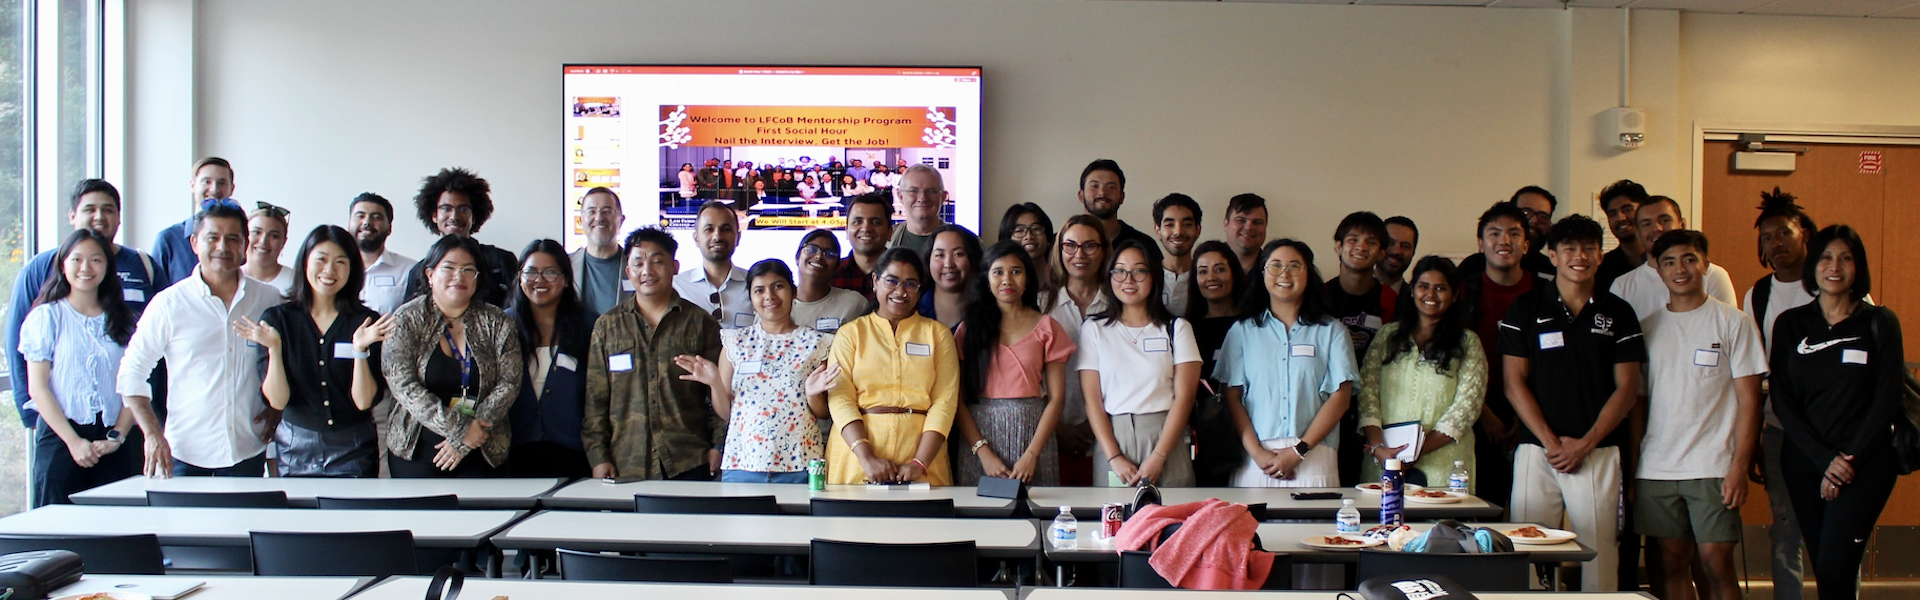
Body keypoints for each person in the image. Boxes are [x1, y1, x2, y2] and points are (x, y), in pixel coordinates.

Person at [1500, 215, 1645, 592]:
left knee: (1599, 553)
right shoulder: (1526, 307)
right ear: (1552, 255)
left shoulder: (1619, 312)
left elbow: (1627, 389)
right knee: (1525, 549)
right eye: (1569, 248)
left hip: (1596, 450)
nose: (1579, 256)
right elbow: (1513, 383)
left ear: (1600, 255)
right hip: (1537, 450)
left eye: (1588, 248)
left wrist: (1586, 443)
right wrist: (1551, 442)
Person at [1769, 225, 1902, 600]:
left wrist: (1846, 461)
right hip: (1805, 462)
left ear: (1858, 267)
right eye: (1826, 257)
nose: (1835, 266)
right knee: (1825, 570)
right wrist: (1825, 460)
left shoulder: (1879, 322)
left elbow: (1886, 399)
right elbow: (1782, 400)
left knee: (1835, 566)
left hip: (1865, 463)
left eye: (1846, 258)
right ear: (1813, 265)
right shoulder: (1791, 324)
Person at [1633, 230, 1766, 600]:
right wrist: (1633, 467)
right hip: (1657, 467)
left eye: (1690, 259)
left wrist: (1738, 467)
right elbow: (1637, 405)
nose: (1681, 269)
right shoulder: (1647, 328)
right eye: (1670, 262)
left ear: (1706, 264)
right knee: (1670, 561)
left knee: (1716, 561)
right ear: (1658, 270)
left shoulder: (1733, 322)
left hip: (1713, 465)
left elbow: (1750, 401)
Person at [118, 202, 284, 477]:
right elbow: (131, 373)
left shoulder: (269, 299)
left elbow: (287, 364)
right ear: (195, 243)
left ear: (245, 245)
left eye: (233, 239)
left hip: (248, 451)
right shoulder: (169, 304)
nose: (223, 247)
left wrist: (276, 411)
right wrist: (152, 434)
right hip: (185, 455)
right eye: (213, 238)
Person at [234, 225, 391, 477]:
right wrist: (275, 348)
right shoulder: (279, 320)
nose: (329, 270)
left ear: (352, 269)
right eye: (321, 259)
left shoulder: (365, 322)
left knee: (354, 515)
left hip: (354, 444)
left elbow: (363, 402)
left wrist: (360, 350)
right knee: (299, 516)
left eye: (341, 262)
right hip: (296, 444)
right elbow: (278, 401)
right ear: (305, 262)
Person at [7, 180, 163, 431]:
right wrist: (31, 412)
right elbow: (18, 343)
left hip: (130, 417)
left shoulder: (143, 265)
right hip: (59, 422)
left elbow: (160, 340)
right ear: (72, 216)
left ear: (119, 218)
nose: (99, 217)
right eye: (89, 209)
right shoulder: (40, 268)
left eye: (108, 209)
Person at [674, 260, 839, 483]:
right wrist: (714, 383)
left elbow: (823, 413)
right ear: (751, 299)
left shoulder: (817, 343)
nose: (769, 296)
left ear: (793, 292)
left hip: (799, 464)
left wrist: (812, 394)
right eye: (759, 290)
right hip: (742, 463)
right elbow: (727, 414)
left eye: (778, 286)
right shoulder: (736, 342)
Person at [585, 228, 724, 482]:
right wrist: (598, 456)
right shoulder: (608, 326)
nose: (647, 271)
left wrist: (718, 445)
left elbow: (719, 390)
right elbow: (595, 400)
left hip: (688, 458)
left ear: (674, 267)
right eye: (638, 263)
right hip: (625, 462)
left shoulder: (700, 323)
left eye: (657, 261)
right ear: (628, 272)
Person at [1218, 239, 1358, 487]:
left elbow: (1341, 398)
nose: (1285, 273)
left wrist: (1299, 450)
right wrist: (1258, 453)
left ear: (1308, 275)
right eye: (1275, 266)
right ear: (1262, 273)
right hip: (1256, 459)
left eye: (1295, 266)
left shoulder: (1332, 331)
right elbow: (1232, 398)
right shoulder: (1241, 332)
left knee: (1315, 527)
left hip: (1315, 456)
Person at [383, 235, 522, 478]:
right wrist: (459, 429)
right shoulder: (407, 319)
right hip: (418, 447)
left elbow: (509, 382)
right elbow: (402, 384)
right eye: (449, 268)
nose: (459, 277)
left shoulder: (497, 321)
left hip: (481, 444)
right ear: (429, 275)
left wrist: (468, 437)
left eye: (468, 270)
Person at [20, 230, 139, 505]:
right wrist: (74, 442)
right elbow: (37, 388)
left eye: (96, 260)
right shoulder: (47, 317)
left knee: (115, 531)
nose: (86, 268)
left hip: (113, 440)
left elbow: (134, 382)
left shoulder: (125, 320)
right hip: (62, 438)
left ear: (108, 267)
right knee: (57, 529)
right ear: (63, 264)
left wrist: (117, 436)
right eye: (77, 259)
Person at [825, 247, 960, 485]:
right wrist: (866, 457)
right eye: (892, 281)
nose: (900, 291)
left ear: (919, 290)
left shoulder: (937, 335)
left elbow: (945, 401)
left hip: (923, 459)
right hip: (855, 458)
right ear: (875, 281)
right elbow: (840, 398)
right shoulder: (850, 334)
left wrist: (920, 462)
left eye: (910, 284)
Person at [1741, 188, 1817, 600]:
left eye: (1783, 233)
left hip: (1831, 430)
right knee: (1785, 529)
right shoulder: (1759, 294)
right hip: (1778, 427)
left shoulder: (1834, 283)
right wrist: (1750, 438)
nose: (1775, 244)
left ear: (1804, 233)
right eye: (1767, 238)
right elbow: (1754, 372)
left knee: (1834, 533)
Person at [951, 242, 1075, 485]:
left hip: (1033, 433)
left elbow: (1057, 398)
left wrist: (1032, 454)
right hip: (980, 435)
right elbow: (957, 400)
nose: (1007, 279)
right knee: (980, 515)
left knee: (1034, 510)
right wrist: (983, 452)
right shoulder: (969, 330)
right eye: (998, 272)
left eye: (1016, 271)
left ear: (1027, 279)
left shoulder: (1047, 327)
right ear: (987, 279)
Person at [1357, 256, 1486, 491]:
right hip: (1383, 460)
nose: (1431, 295)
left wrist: (1411, 454)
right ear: (1412, 290)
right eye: (1423, 286)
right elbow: (1367, 395)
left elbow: (1466, 408)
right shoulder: (1387, 336)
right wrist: (1379, 448)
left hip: (1445, 465)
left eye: (1441, 288)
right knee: (1382, 526)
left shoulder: (1468, 342)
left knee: (1440, 528)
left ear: (1455, 295)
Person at [1081, 239, 1199, 487]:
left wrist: (1159, 456)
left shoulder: (1176, 328)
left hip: (1167, 437)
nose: (1128, 279)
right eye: (1120, 271)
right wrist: (1114, 456)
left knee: (1172, 520)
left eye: (1139, 271)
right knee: (1116, 522)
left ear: (1154, 275)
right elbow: (1092, 399)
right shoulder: (1094, 329)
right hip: (1113, 439)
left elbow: (1185, 397)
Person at [1461, 202, 1540, 512]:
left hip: (1536, 421)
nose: (1504, 241)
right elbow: (1452, 363)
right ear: (1481, 243)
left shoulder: (1545, 294)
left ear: (1527, 244)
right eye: (1494, 233)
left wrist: (1525, 417)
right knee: (1482, 511)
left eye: (1514, 234)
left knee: (1530, 514)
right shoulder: (1463, 294)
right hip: (1475, 419)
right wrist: (1484, 414)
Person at [503, 240, 595, 478]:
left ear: (565, 279)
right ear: (520, 278)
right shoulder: (502, 326)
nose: (539, 280)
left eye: (550, 272)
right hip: (515, 449)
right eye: (531, 272)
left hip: (574, 450)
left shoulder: (590, 325)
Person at [1326, 211, 1396, 486]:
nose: (1361, 247)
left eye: (1371, 242)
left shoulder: (1392, 300)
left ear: (1381, 252)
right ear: (1339, 247)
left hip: (1376, 412)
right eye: (1353, 239)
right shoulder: (1320, 297)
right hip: (1330, 410)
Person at [1044, 215, 1110, 486]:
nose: (1079, 254)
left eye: (1090, 246)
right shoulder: (1041, 305)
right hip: (1049, 432)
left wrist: (1095, 424)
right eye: (1070, 245)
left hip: (1108, 437)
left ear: (1104, 250)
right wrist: (1056, 426)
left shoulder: (1119, 305)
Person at [1610, 196, 1739, 321]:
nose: (1657, 228)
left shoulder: (1713, 275)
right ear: (1638, 234)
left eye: (1665, 220)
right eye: (1646, 224)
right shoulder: (1622, 286)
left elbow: (1727, 324)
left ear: (1682, 224)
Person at [403, 168, 519, 307]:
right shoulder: (418, 272)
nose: (454, 217)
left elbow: (519, 313)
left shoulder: (500, 262)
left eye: (463, 209)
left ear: (474, 216)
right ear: (434, 215)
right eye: (446, 208)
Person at [1185, 241, 1246, 487]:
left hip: (1251, 429)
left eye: (1220, 269)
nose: (1211, 277)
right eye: (1202, 271)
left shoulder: (1253, 324)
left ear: (1233, 274)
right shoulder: (1185, 328)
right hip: (1204, 435)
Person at [152, 157, 233, 288]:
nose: (214, 189)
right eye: (207, 181)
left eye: (222, 183)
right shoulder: (168, 240)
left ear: (231, 188)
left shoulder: (241, 239)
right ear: (193, 186)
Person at [674, 201, 753, 329]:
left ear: (738, 237)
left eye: (725, 229)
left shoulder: (755, 285)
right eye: (709, 229)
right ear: (696, 238)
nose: (717, 236)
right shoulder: (676, 287)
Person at [1457, 186, 1558, 279]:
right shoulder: (1471, 268)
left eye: (1542, 216)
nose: (1534, 221)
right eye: (1526, 212)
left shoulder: (1552, 270)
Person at [790, 230, 870, 334]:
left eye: (830, 254)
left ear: (837, 266)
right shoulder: (777, 304)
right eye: (811, 249)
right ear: (797, 257)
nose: (819, 256)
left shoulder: (854, 304)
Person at [348, 193, 415, 316]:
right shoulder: (335, 269)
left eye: (376, 217)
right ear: (349, 223)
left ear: (389, 228)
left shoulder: (410, 270)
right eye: (360, 216)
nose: (367, 222)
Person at [1077, 159, 1158, 257]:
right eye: (1094, 186)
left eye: (1111, 187)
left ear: (1122, 197)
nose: (1102, 192)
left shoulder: (1144, 245)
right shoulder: (1061, 244)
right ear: (1081, 195)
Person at [570, 187, 629, 316]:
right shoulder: (565, 266)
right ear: (580, 221)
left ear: (621, 220)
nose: (599, 218)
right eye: (591, 211)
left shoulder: (637, 266)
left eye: (607, 211)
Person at [919, 225, 981, 329]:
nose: (948, 264)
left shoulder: (991, 309)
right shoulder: (913, 307)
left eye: (958, 254)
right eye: (939, 255)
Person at [835, 193, 893, 300]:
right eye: (857, 222)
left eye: (875, 222)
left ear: (890, 232)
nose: (866, 228)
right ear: (847, 230)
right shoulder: (831, 275)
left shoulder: (904, 275)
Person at [1595, 180, 1650, 292]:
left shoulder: (1664, 261)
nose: (1620, 218)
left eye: (1627, 210)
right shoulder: (1602, 268)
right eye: (1612, 213)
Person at [1153, 194, 1201, 317]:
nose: (1178, 232)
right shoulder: (1146, 277)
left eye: (1187, 224)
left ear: (1198, 230)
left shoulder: (1205, 277)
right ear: (1158, 231)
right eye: (1170, 224)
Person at [886, 165, 949, 257]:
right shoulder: (884, 240)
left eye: (931, 191)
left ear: (943, 197)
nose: (922, 198)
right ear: (900, 196)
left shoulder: (966, 242)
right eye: (913, 191)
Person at [1000, 202, 1055, 292]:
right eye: (1019, 230)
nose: (1029, 236)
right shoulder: (1002, 286)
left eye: (1036, 229)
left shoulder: (1063, 281)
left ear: (1048, 238)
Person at [243, 202, 295, 296]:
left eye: (274, 236)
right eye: (256, 232)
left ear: (284, 242)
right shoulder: (231, 278)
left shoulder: (296, 282)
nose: (263, 241)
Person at [1221, 194, 1269, 276]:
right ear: (1226, 224)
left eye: (1257, 222)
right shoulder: (1205, 267)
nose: (1249, 227)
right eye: (1241, 220)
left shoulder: (1275, 270)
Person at [1376, 216, 1419, 295]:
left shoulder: (1417, 301)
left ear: (1413, 253)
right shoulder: (1350, 290)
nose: (1396, 251)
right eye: (1390, 243)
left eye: (1405, 246)